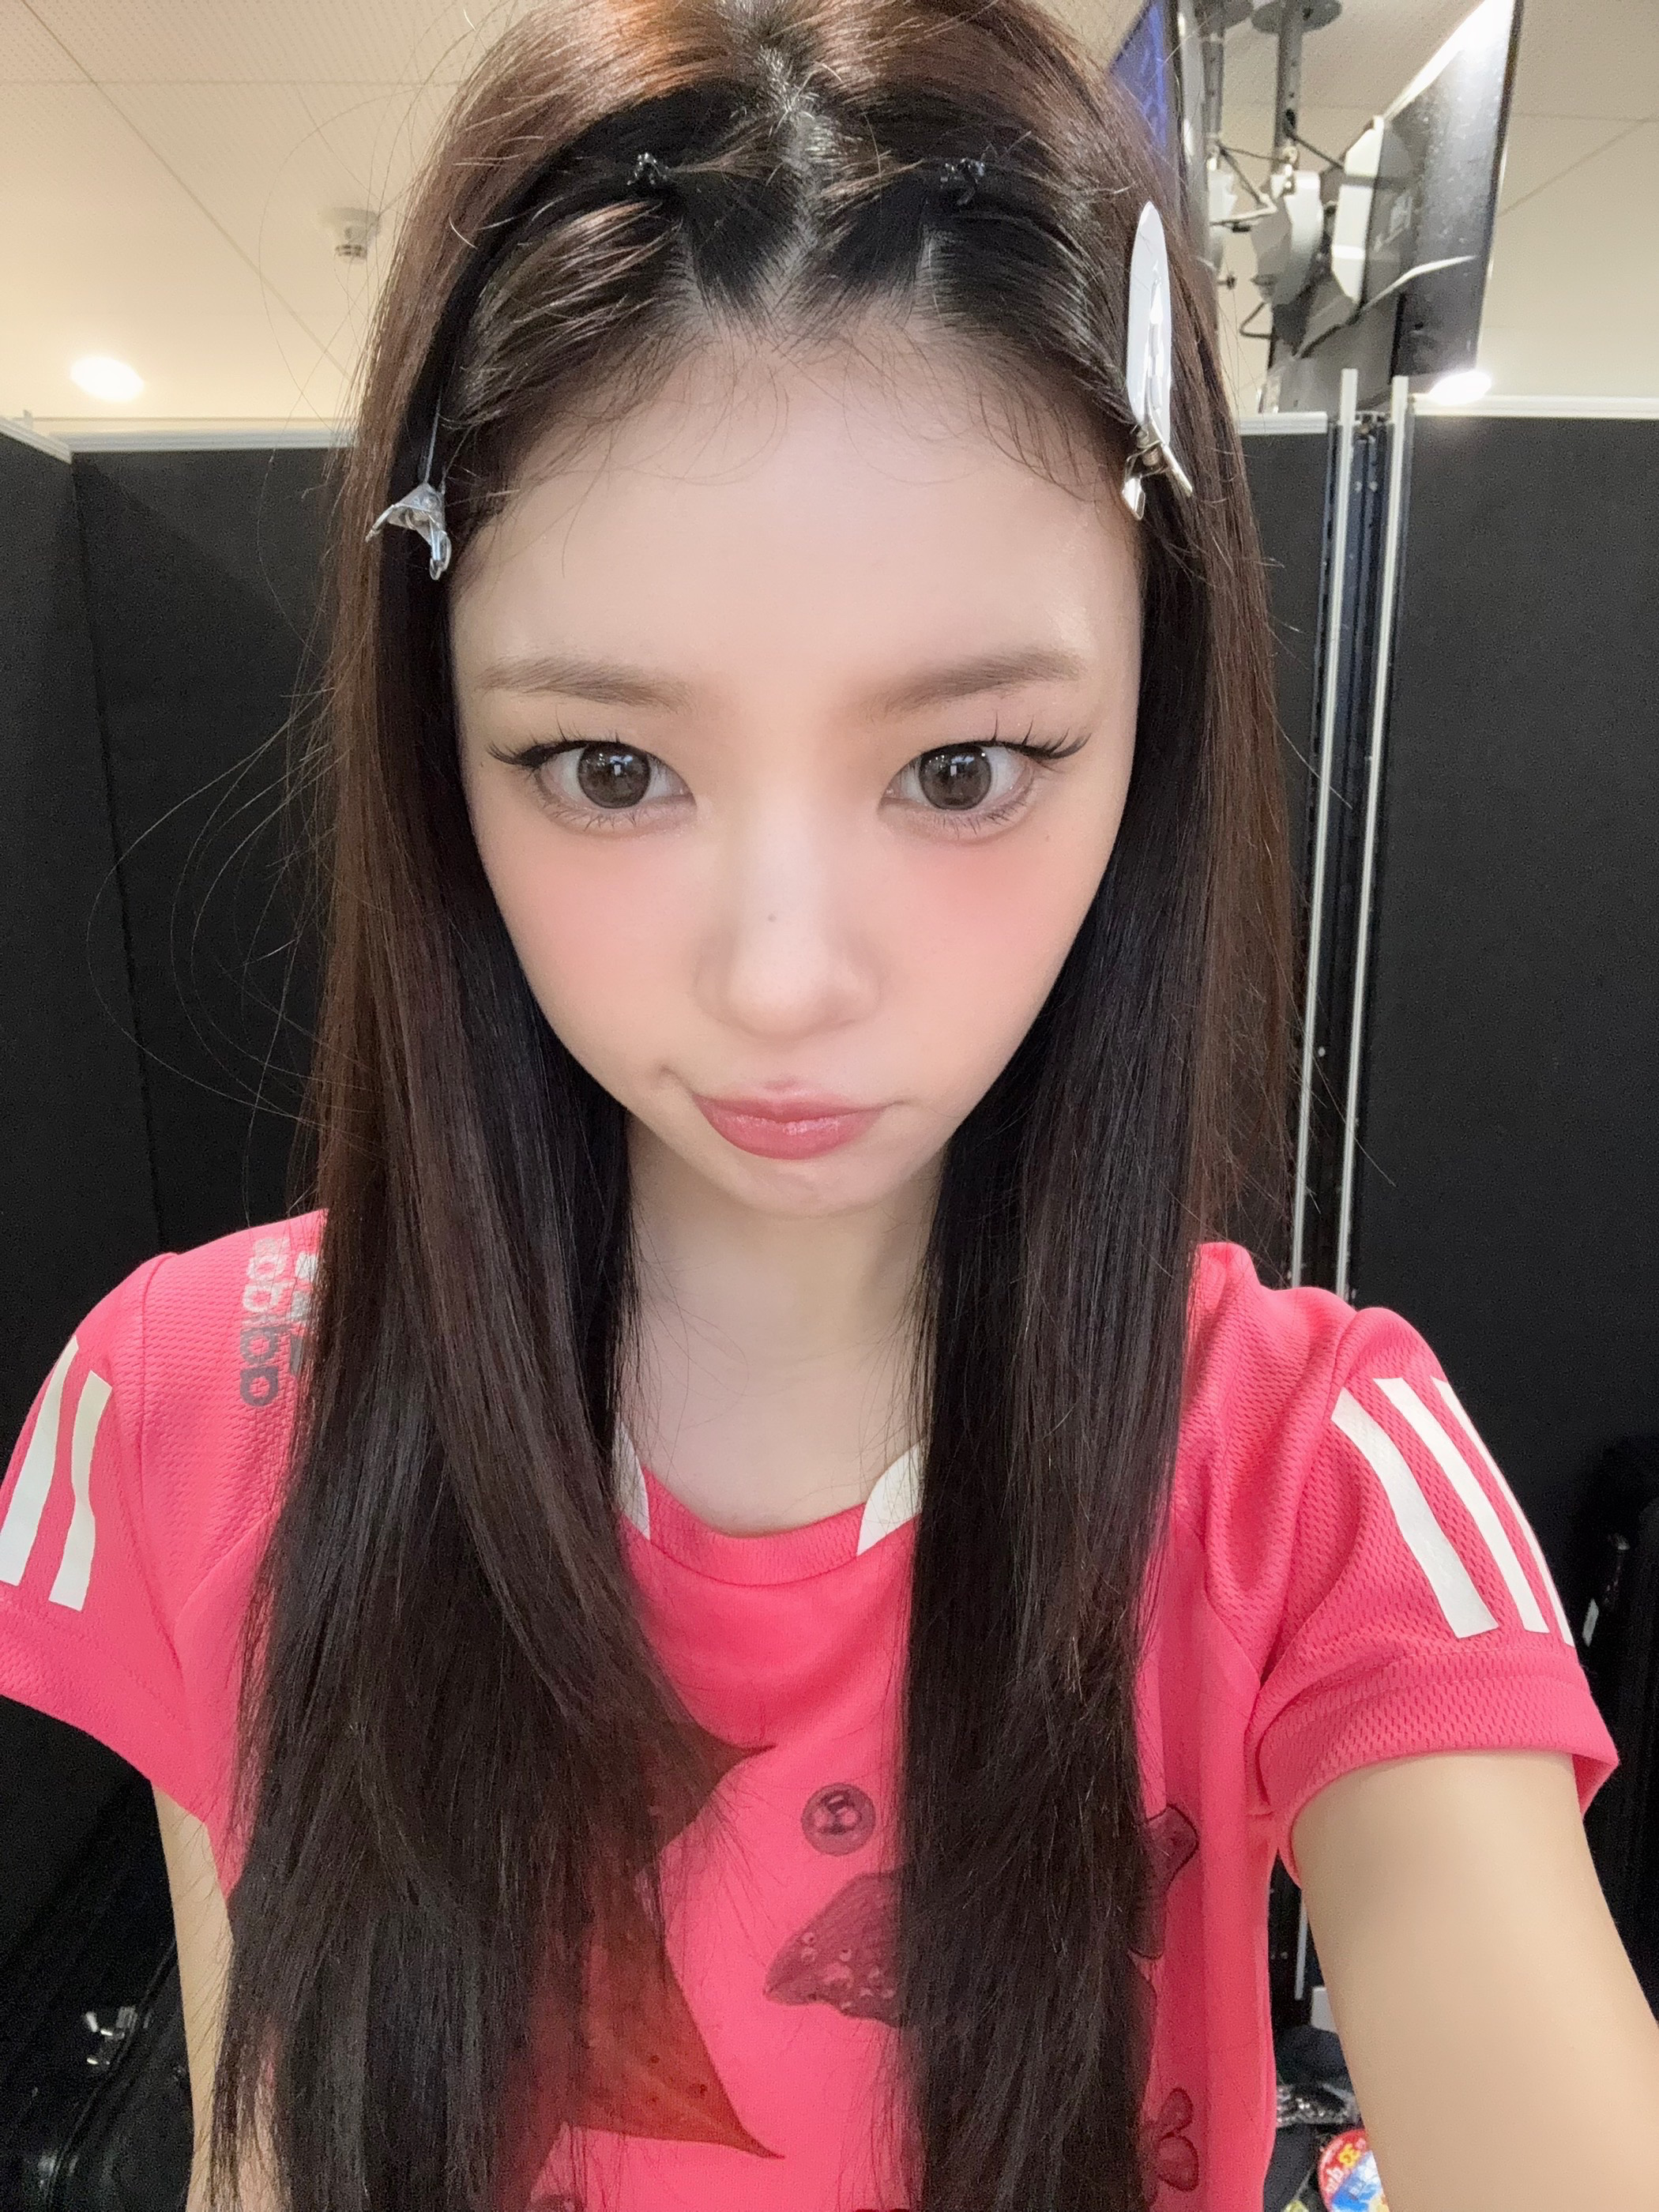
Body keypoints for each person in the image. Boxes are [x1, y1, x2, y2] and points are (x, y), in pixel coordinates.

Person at [3, 0, 1657, 2206]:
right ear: (439, 743)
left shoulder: (1311, 1485)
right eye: (608, 767)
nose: (784, 977)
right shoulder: (195, 1416)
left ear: (1148, 733)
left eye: (961, 768)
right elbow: (268, 2158)